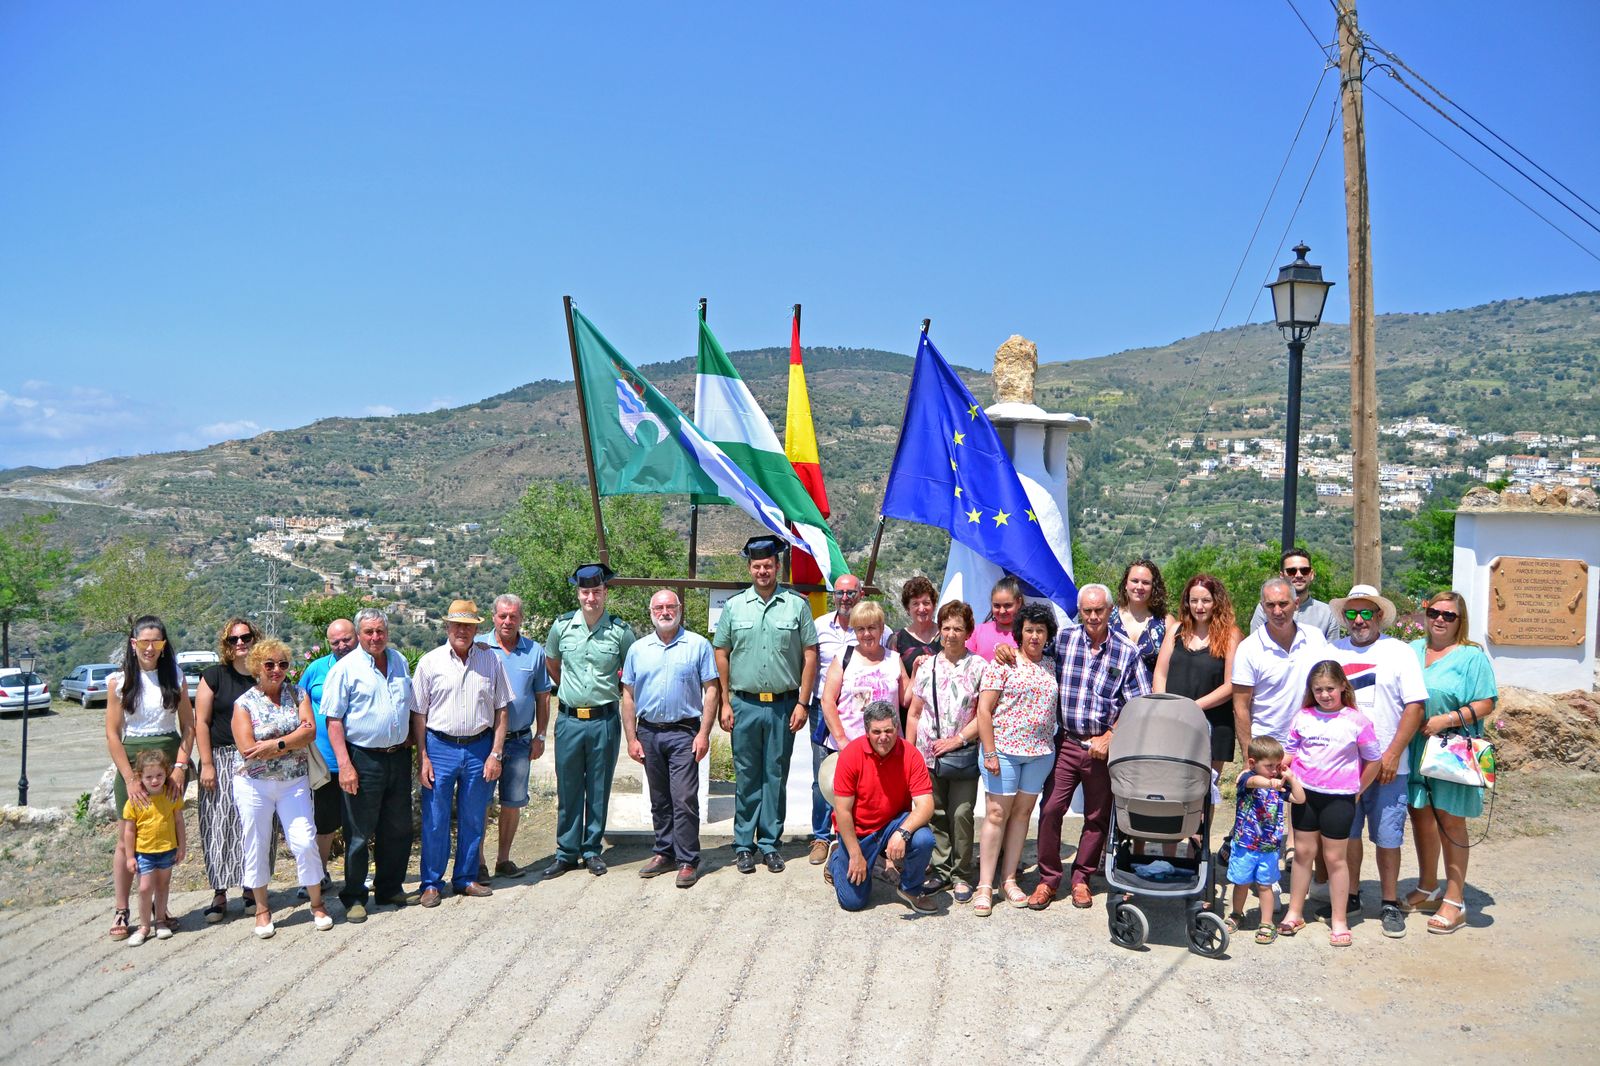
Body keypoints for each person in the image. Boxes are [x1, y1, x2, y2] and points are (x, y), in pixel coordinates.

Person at [1029, 583, 1151, 910]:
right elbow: (1033, 654)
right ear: (1079, 612)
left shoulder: (1127, 652)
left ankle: (1082, 878)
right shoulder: (1065, 641)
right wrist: (1006, 651)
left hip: (1103, 748)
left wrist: (1112, 735)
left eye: (1099, 610)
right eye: (1087, 611)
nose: (1093, 617)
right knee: (1051, 809)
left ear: (1110, 611)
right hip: (1067, 741)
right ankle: (1049, 878)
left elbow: (1140, 704)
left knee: (1097, 816)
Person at [713, 535, 819, 875]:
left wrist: (803, 702)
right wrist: (725, 702)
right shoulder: (734, 606)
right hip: (743, 704)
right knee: (746, 775)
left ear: (777, 567)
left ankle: (770, 843)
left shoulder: (796, 605)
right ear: (750, 568)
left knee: (775, 774)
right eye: (757, 566)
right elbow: (722, 653)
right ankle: (744, 844)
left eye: (768, 565)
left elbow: (810, 654)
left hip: (783, 706)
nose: (763, 571)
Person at [1326, 583, 1428, 937]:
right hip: (1342, 767)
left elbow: (1415, 706)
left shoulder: (1399, 653)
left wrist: (1394, 753)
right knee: (1348, 836)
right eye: (1351, 613)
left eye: (1366, 612)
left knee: (1387, 837)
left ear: (1379, 615)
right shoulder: (1333, 652)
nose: (1358, 620)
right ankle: (1351, 895)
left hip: (1387, 765)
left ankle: (1388, 901)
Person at [1402, 590, 1497, 936]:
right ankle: (1429, 887)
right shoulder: (1411, 650)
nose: (1439, 619)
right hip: (1414, 748)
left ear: (1460, 620)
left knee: (1450, 821)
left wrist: (1448, 719)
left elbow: (1487, 702)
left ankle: (1455, 900)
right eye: (1434, 612)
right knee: (1421, 816)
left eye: (1449, 615)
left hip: (1451, 749)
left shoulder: (1472, 657)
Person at [411, 599, 511, 906]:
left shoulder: (490, 661)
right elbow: (418, 714)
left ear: (477, 629)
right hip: (440, 747)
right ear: (447, 627)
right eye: (457, 625)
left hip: (479, 747)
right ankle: (431, 883)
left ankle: (466, 878)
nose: (462, 631)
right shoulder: (430, 662)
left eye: (468, 626)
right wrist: (423, 757)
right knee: (436, 818)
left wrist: (496, 754)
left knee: (473, 817)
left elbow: (502, 708)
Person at [231, 636, 332, 938]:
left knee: (304, 841)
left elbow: (310, 731)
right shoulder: (244, 703)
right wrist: (291, 741)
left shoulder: (297, 692)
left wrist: (275, 744)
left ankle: (317, 903)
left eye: (283, 664)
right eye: (270, 664)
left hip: (294, 782)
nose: (277, 670)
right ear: (256, 667)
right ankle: (262, 909)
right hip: (254, 785)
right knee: (257, 844)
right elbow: (248, 749)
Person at [322, 607, 417, 923]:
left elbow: (408, 706)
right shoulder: (345, 669)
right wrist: (345, 766)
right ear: (359, 635)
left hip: (398, 757)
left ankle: (389, 887)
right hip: (363, 759)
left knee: (398, 826)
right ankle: (354, 897)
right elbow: (334, 721)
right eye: (369, 632)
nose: (375, 637)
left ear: (387, 632)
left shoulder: (400, 661)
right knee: (359, 832)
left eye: (380, 631)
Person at [1276, 661, 1381, 946]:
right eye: (1318, 689)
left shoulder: (1357, 721)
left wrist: (1358, 789)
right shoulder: (1303, 717)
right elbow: (1290, 752)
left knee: (1335, 859)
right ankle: (1295, 912)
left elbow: (1374, 760)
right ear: (1311, 691)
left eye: (1330, 689)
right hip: (1305, 796)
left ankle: (1339, 920)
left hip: (1340, 799)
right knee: (1302, 854)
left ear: (1343, 687)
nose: (1324, 694)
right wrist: (1277, 771)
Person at [621, 589, 720, 889]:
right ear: (651, 612)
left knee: (684, 797)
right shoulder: (638, 649)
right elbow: (628, 696)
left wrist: (704, 734)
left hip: (684, 732)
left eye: (670, 607)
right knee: (659, 798)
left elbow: (712, 690)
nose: (665, 612)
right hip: (648, 732)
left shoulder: (698, 645)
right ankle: (664, 852)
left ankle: (688, 859)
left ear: (680, 610)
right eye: (659, 607)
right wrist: (631, 739)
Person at [103, 614, 194, 941]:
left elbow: (189, 726)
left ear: (164, 645)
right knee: (127, 835)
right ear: (134, 644)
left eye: (157, 641)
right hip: (133, 764)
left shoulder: (176, 677)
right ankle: (122, 908)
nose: (151, 648)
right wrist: (128, 778)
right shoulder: (118, 681)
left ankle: (159, 909)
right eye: (144, 642)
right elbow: (113, 734)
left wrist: (181, 766)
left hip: (167, 763)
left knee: (164, 832)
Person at [544, 563, 635, 878]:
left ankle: (592, 849)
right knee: (568, 788)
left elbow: (632, 673)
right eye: (586, 592)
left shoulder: (620, 632)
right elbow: (553, 663)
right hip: (569, 719)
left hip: (603, 720)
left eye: (597, 591)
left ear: (605, 593)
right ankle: (566, 852)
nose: (591, 598)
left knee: (598, 786)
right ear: (578, 593)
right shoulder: (562, 627)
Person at [973, 602, 1060, 916]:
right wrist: (991, 751)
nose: (1035, 636)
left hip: (1039, 754)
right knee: (996, 815)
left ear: (1047, 634)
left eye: (1040, 630)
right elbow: (984, 710)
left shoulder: (1052, 665)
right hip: (1004, 752)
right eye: (1029, 630)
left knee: (1023, 815)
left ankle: (1008, 879)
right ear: (1019, 632)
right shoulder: (1003, 664)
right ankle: (985, 884)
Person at [903, 599, 985, 902]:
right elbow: (914, 712)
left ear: (968, 632)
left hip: (962, 752)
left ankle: (963, 874)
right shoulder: (927, 665)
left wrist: (958, 739)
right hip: (927, 753)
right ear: (940, 630)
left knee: (961, 813)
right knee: (934, 813)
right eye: (946, 627)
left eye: (958, 628)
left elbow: (984, 715)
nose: (951, 634)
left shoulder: (979, 667)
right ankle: (940, 870)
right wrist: (910, 753)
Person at [807, 573, 890, 866]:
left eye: (850, 592)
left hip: (873, 724)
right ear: (834, 596)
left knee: (868, 786)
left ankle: (865, 841)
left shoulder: (886, 632)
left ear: (860, 594)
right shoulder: (818, 627)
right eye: (840, 593)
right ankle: (821, 837)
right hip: (826, 710)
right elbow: (807, 665)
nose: (845, 597)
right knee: (826, 779)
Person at [826, 702, 938, 913]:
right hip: (858, 831)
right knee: (853, 902)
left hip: (892, 824)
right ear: (867, 732)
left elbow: (926, 804)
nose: (883, 737)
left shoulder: (911, 754)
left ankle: (910, 889)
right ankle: (837, 857)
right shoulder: (851, 755)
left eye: (888, 730)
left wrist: (903, 833)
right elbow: (842, 812)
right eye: (876, 732)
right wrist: (855, 855)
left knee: (924, 838)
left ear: (897, 728)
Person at [194, 616, 270, 923]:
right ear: (226, 645)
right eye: (233, 639)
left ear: (255, 638)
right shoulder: (214, 676)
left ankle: (252, 889)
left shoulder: (263, 674)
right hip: (221, 758)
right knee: (217, 825)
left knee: (252, 824)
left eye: (246, 637)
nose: (240, 643)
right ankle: (220, 892)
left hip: (256, 758)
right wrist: (207, 764)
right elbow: (200, 721)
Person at [478, 593, 552, 881]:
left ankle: (503, 859)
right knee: (481, 802)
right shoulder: (480, 647)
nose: (507, 621)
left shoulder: (534, 651)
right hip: (484, 741)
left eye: (513, 616)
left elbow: (543, 697)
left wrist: (541, 736)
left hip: (521, 740)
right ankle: (479, 861)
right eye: (502, 615)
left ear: (521, 618)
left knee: (513, 802)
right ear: (494, 616)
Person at [1232, 576, 1329, 760]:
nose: (1277, 611)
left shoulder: (1315, 638)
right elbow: (1240, 707)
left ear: (1296, 603)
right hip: (1268, 750)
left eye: (1283, 604)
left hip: (1312, 744)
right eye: (1270, 605)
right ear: (1262, 606)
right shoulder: (1248, 648)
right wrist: (1248, 758)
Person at [295, 617, 357, 900]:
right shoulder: (316, 668)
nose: (342, 645)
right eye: (336, 642)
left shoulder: (368, 665)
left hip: (360, 756)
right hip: (323, 761)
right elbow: (299, 699)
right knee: (323, 823)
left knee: (359, 822)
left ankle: (356, 879)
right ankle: (318, 877)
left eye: (347, 639)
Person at [1153, 573, 1240, 775]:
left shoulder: (1231, 634)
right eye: (1194, 601)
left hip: (1214, 724)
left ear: (1216, 602)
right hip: (1173, 720)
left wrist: (1193, 707)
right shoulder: (1175, 630)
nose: (1199, 606)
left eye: (1206, 600)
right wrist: (1165, 705)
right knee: (1172, 785)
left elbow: (1231, 684)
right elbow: (1160, 673)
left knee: (1204, 792)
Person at [1224, 737, 1303, 945]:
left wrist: (1291, 779)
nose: (1274, 771)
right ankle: (1236, 913)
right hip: (1244, 845)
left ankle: (1266, 922)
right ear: (1252, 763)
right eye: (1269, 766)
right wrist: (1271, 783)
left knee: (1265, 885)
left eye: (1277, 766)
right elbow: (1255, 782)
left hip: (1268, 848)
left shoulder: (1279, 786)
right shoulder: (1247, 779)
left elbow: (1300, 799)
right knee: (1241, 883)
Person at [819, 601, 910, 751]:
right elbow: (827, 700)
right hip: (849, 747)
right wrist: (841, 740)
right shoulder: (843, 657)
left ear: (881, 628)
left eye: (871, 628)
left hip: (887, 747)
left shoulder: (894, 659)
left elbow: (905, 700)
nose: (866, 634)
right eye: (860, 629)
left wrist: (917, 669)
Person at [119, 749, 188, 946]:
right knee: (144, 888)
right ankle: (144, 926)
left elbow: (179, 822)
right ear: (140, 777)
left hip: (167, 850)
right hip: (145, 853)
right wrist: (130, 857)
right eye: (149, 777)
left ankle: (160, 920)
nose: (155, 780)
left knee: (163, 886)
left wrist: (181, 847)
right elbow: (129, 831)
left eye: (159, 775)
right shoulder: (135, 801)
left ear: (166, 773)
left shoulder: (171, 795)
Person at [1248, 547, 1342, 640]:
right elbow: (1255, 646)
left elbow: (1332, 653)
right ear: (1281, 576)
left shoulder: (1328, 614)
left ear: (1311, 574)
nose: (1299, 575)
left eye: (1304, 570)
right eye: (1291, 571)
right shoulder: (1265, 609)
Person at [1110, 558, 1168, 675]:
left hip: (1150, 691)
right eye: (1135, 581)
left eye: (1146, 582)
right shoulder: (1108, 617)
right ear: (1126, 584)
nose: (1140, 587)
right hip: (1112, 690)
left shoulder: (1165, 622)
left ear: (1153, 587)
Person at [890, 575, 942, 681]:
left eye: (926, 603)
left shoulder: (946, 634)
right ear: (907, 608)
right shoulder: (897, 640)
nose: (921, 609)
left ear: (934, 605)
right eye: (915, 604)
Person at [966, 576, 1022, 660]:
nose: (1002, 611)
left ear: (1019, 602)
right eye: (997, 606)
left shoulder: (1026, 633)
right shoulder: (978, 631)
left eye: (1008, 605)